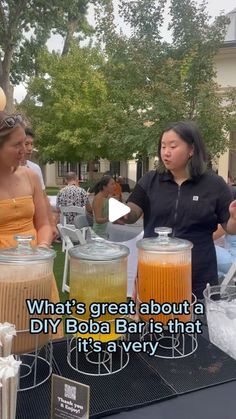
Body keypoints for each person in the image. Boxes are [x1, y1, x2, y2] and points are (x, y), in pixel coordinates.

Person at [125, 121, 236, 298]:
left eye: (173, 146)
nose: (165, 152)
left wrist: (234, 219)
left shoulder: (214, 184)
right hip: (154, 269)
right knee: (154, 321)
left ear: (191, 149)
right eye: (162, 146)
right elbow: (131, 214)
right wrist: (114, 210)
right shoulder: (150, 180)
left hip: (198, 272)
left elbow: (230, 227)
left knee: (195, 322)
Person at [0, 111, 63, 336]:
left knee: (41, 334)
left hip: (36, 264)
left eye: (25, 143)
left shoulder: (31, 176)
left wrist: (43, 249)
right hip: (3, 272)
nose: (25, 149)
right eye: (17, 144)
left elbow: (44, 222)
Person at [21, 127, 58, 240]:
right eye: (26, 144)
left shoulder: (35, 168)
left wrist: (52, 224)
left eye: (32, 144)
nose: (30, 148)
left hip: (35, 221)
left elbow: (43, 197)